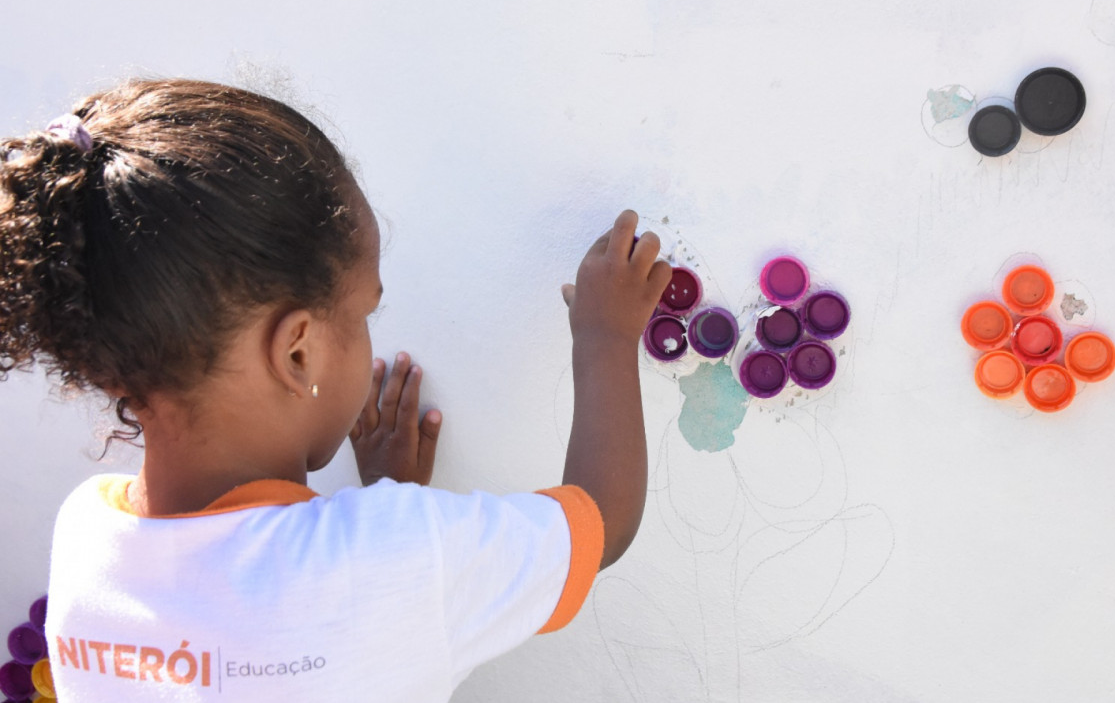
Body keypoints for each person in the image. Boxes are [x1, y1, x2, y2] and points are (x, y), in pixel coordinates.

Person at [0, 78, 672, 701]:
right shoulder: (398, 555)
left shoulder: (88, 536)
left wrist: (383, 507)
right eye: (363, 313)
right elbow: (602, 523)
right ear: (297, 350)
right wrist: (605, 337)